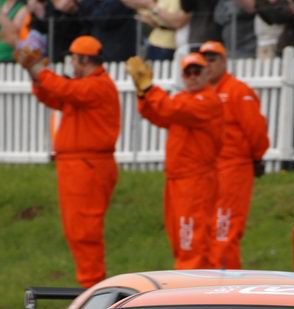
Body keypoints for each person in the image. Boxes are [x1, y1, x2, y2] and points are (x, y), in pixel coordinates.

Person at [19, 34, 122, 288]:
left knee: (84, 230)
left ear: (84, 60)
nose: (71, 64)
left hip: (88, 166)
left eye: (74, 59)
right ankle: (90, 286)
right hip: (79, 166)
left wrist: (38, 70)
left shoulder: (97, 86)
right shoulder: (86, 87)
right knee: (77, 230)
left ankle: (92, 288)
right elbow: (52, 96)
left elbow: (63, 89)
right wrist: (35, 76)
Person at [127, 51, 223, 268]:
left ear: (207, 73)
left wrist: (150, 89)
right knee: (180, 238)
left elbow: (171, 109)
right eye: (188, 73)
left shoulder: (208, 100)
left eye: (197, 71)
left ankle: (192, 284)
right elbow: (158, 115)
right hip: (177, 179)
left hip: (196, 180)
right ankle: (194, 281)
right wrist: (142, 94)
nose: (192, 77)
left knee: (192, 240)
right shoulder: (183, 99)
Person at [200, 40, 268, 268]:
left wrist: (256, 157)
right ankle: (209, 281)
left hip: (233, 169)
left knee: (225, 230)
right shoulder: (203, 94)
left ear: (224, 62)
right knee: (207, 231)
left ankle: (227, 282)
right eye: (204, 62)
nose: (208, 66)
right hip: (208, 171)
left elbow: (256, 131)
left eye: (212, 60)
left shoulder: (238, 91)